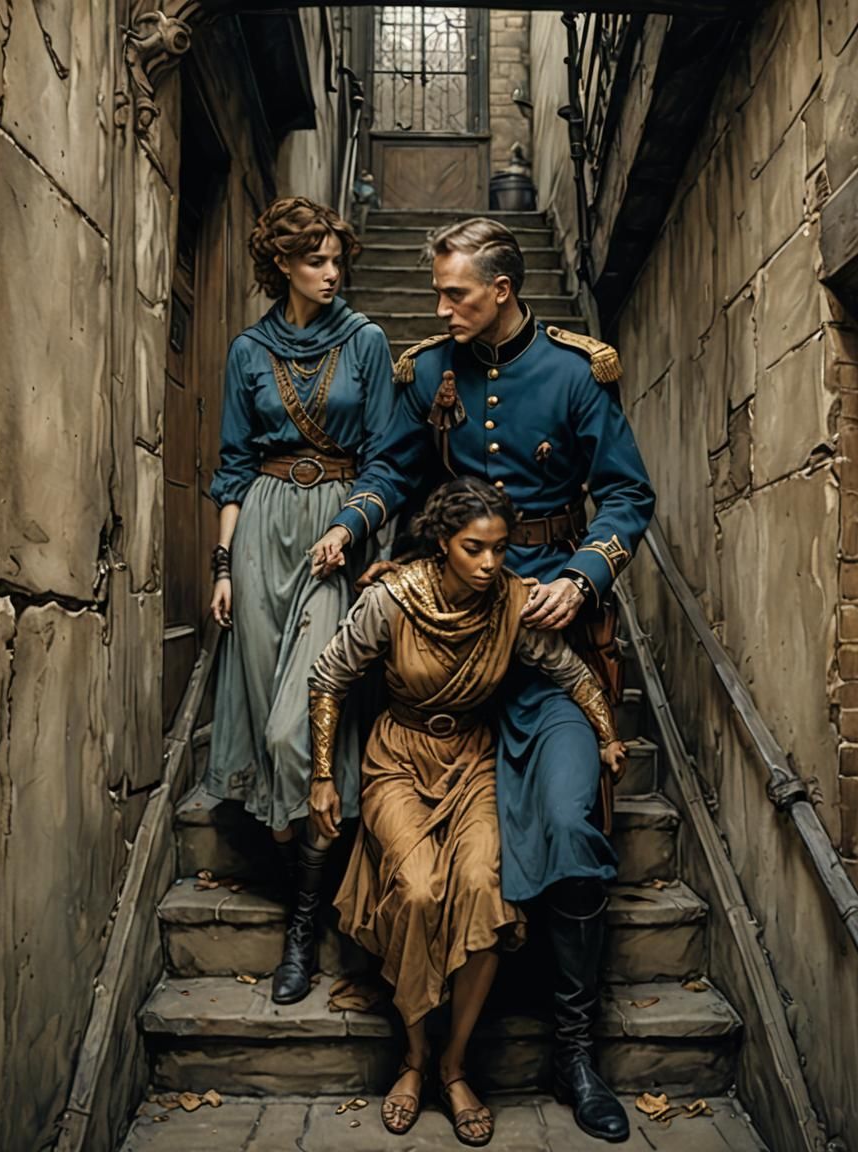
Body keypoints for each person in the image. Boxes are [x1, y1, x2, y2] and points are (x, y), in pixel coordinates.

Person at [309, 218, 655, 1143]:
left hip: (547, 646)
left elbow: (627, 494)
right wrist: (357, 522)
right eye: (437, 293)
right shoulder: (428, 375)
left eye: (455, 293)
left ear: (501, 289)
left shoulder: (576, 376)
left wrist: (585, 572)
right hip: (445, 661)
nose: (441, 308)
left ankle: (575, 1054)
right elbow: (395, 466)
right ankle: (409, 1028)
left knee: (577, 826)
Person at [307, 478, 627, 1147]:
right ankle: (414, 1057)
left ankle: (454, 1067)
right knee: (421, 891)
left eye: (500, 549)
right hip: (399, 758)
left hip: (475, 760)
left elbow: (571, 672)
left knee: (484, 887)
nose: (489, 563)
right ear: (443, 545)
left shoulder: (512, 602)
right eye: (474, 549)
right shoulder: (391, 598)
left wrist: (605, 733)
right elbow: (328, 678)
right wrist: (320, 780)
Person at [201, 195, 394, 1006]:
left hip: (334, 540)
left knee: (299, 731)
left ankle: (306, 928)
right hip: (261, 537)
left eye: (335, 258)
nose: (331, 271)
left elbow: (389, 459)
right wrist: (221, 565)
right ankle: (306, 900)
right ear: (281, 264)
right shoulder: (248, 350)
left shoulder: (368, 343)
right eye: (315, 259)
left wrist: (352, 527)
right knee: (268, 742)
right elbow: (234, 464)